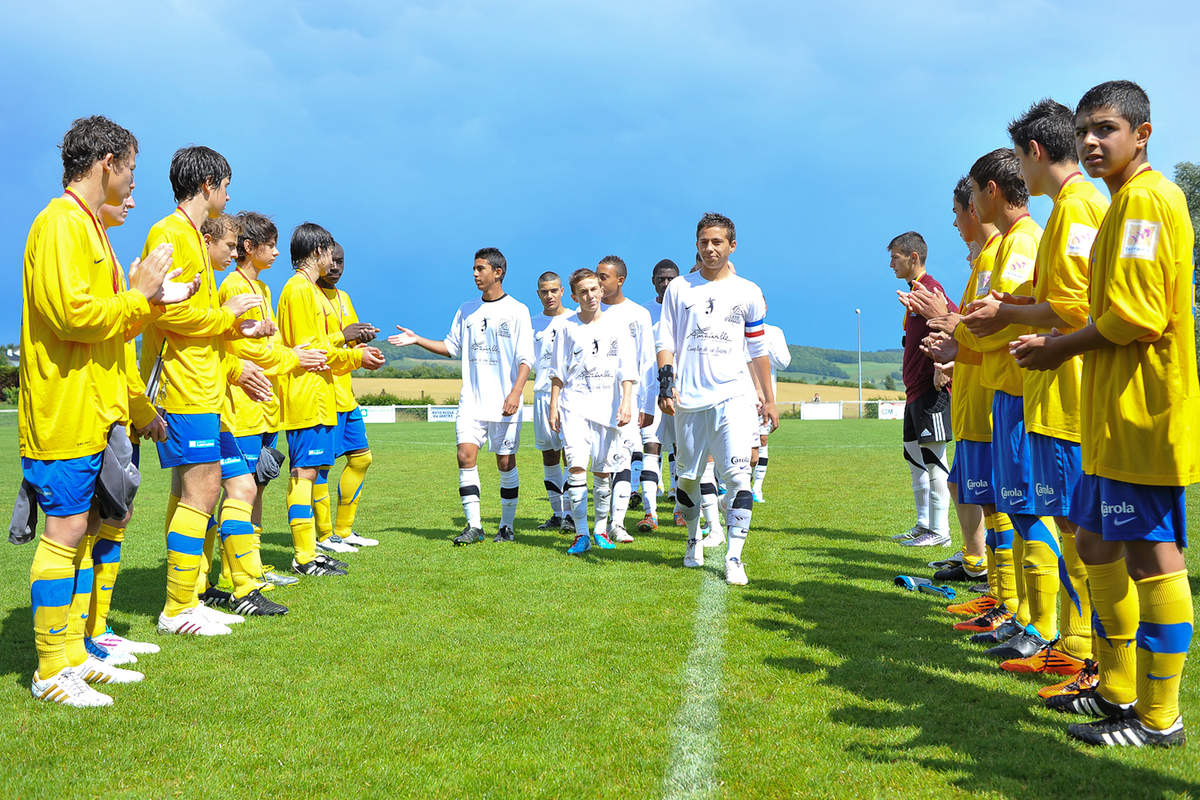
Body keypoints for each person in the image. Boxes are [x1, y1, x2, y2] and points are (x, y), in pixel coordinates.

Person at [1012, 80, 1195, 748]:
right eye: (1086, 129)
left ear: (1142, 134)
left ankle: (1158, 718)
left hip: (1144, 412)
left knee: (1154, 559)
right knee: (1091, 540)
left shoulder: (1144, 202)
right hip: (1111, 415)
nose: (1092, 141)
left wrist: (1059, 347)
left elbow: (1138, 317)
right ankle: (1115, 687)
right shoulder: (1123, 203)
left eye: (1108, 129)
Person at [23, 115, 191, 704]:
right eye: (132, 169)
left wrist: (149, 301)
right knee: (65, 531)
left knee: (84, 529)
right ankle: (50, 672)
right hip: (64, 410)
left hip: (95, 409)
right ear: (106, 165)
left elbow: (111, 328)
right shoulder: (61, 223)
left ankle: (74, 653)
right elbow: (74, 316)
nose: (133, 182)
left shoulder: (91, 229)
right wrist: (138, 295)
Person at [961, 99, 1108, 680]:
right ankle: (1061, 638)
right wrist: (1008, 311)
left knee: (1068, 525)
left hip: (1057, 392)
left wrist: (1004, 316)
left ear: (1035, 154)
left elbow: (1075, 307)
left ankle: (1073, 644)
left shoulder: (1073, 212)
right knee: (1059, 522)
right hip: (1041, 393)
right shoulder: (1072, 209)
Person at [140, 145, 273, 636]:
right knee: (200, 492)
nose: (228, 195)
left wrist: (236, 348)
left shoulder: (191, 236)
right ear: (207, 186)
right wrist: (229, 317)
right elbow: (167, 313)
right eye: (226, 185)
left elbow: (200, 325)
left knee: (198, 491)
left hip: (204, 387)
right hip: (182, 388)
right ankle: (178, 609)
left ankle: (188, 596)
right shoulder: (169, 233)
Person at [657, 212, 778, 585]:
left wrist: (769, 400)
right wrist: (666, 383)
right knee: (688, 480)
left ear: (732, 246)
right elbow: (666, 341)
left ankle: (734, 557)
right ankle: (693, 539)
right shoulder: (679, 289)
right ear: (697, 245)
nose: (710, 249)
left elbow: (758, 349)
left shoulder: (748, 291)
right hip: (690, 400)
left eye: (717, 242)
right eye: (704, 242)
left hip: (734, 397)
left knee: (739, 478)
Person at [389, 248, 534, 544]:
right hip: (471, 401)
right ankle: (474, 526)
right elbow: (451, 346)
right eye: (474, 268)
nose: (475, 273)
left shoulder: (517, 310)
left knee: (506, 462)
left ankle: (506, 526)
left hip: (505, 401)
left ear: (498, 272)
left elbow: (526, 359)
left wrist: (516, 393)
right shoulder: (466, 309)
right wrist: (418, 339)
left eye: (481, 268)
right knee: (465, 456)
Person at [196, 213, 301, 616]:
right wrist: (293, 358)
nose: (276, 251)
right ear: (248, 247)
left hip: (263, 406)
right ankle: (230, 577)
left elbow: (259, 343)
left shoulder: (260, 286)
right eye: (270, 245)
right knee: (232, 492)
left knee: (255, 488)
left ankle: (250, 568)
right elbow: (238, 349)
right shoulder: (233, 287)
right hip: (238, 409)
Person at [905, 178, 997, 599]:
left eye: (961, 210)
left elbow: (1009, 329)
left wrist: (949, 329)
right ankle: (982, 570)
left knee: (1012, 505)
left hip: (999, 398)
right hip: (973, 392)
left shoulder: (1013, 249)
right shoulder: (984, 260)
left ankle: (1010, 603)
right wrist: (954, 348)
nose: (957, 222)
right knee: (964, 483)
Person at [277, 223, 385, 575]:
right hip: (307, 397)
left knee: (313, 471)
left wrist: (357, 356)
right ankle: (306, 554)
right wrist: (342, 337)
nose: (333, 261)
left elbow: (326, 350)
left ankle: (315, 550)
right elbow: (306, 350)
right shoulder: (298, 291)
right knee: (305, 474)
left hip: (323, 396)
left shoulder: (309, 291)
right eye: (328, 253)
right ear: (317, 251)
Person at [547, 269, 636, 554]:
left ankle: (600, 529)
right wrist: (553, 404)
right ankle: (581, 533)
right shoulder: (566, 327)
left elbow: (627, 369)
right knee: (575, 467)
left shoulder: (617, 325)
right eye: (583, 292)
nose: (590, 296)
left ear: (602, 291)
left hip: (607, 407)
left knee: (602, 472)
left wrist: (626, 401)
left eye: (594, 290)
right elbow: (558, 371)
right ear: (574, 296)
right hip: (574, 406)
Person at [887, 231, 955, 548]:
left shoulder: (931, 290)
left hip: (931, 393)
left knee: (935, 461)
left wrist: (943, 367)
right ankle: (923, 524)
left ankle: (940, 531)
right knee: (915, 460)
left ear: (914, 257)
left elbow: (952, 320)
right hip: (913, 391)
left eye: (895, 257)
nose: (891, 264)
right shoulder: (915, 292)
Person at [316, 242, 382, 551]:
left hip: (346, 395)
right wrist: (346, 336)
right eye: (332, 261)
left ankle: (344, 531)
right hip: (321, 395)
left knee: (361, 458)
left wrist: (365, 349)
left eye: (341, 261)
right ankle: (324, 536)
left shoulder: (344, 298)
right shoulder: (308, 294)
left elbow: (350, 344)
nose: (336, 267)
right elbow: (310, 345)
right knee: (320, 467)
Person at [596, 255, 656, 543]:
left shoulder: (638, 314)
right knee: (600, 464)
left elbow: (647, 362)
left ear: (620, 279)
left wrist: (646, 403)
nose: (597, 282)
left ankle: (618, 523)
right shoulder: (586, 313)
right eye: (596, 276)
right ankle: (598, 523)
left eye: (603, 277)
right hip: (594, 401)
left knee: (622, 461)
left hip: (628, 402)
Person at [530, 271, 578, 532]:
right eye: (544, 292)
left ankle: (571, 515)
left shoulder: (575, 319)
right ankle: (557, 514)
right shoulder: (532, 324)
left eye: (553, 291)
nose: (549, 296)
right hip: (541, 396)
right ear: (539, 294)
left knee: (570, 456)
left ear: (562, 292)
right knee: (549, 456)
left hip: (569, 396)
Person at [636, 259, 679, 533]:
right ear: (653, 280)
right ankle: (650, 512)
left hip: (680, 390)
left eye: (670, 279)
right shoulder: (642, 314)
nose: (665, 284)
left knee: (683, 451)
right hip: (651, 390)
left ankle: (680, 509)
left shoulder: (686, 309)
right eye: (661, 279)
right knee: (651, 446)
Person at [751, 320, 791, 502]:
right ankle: (728, 485)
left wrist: (762, 348)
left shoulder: (774, 332)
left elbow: (783, 362)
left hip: (764, 399)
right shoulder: (734, 326)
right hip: (735, 394)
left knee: (762, 441)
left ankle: (756, 488)